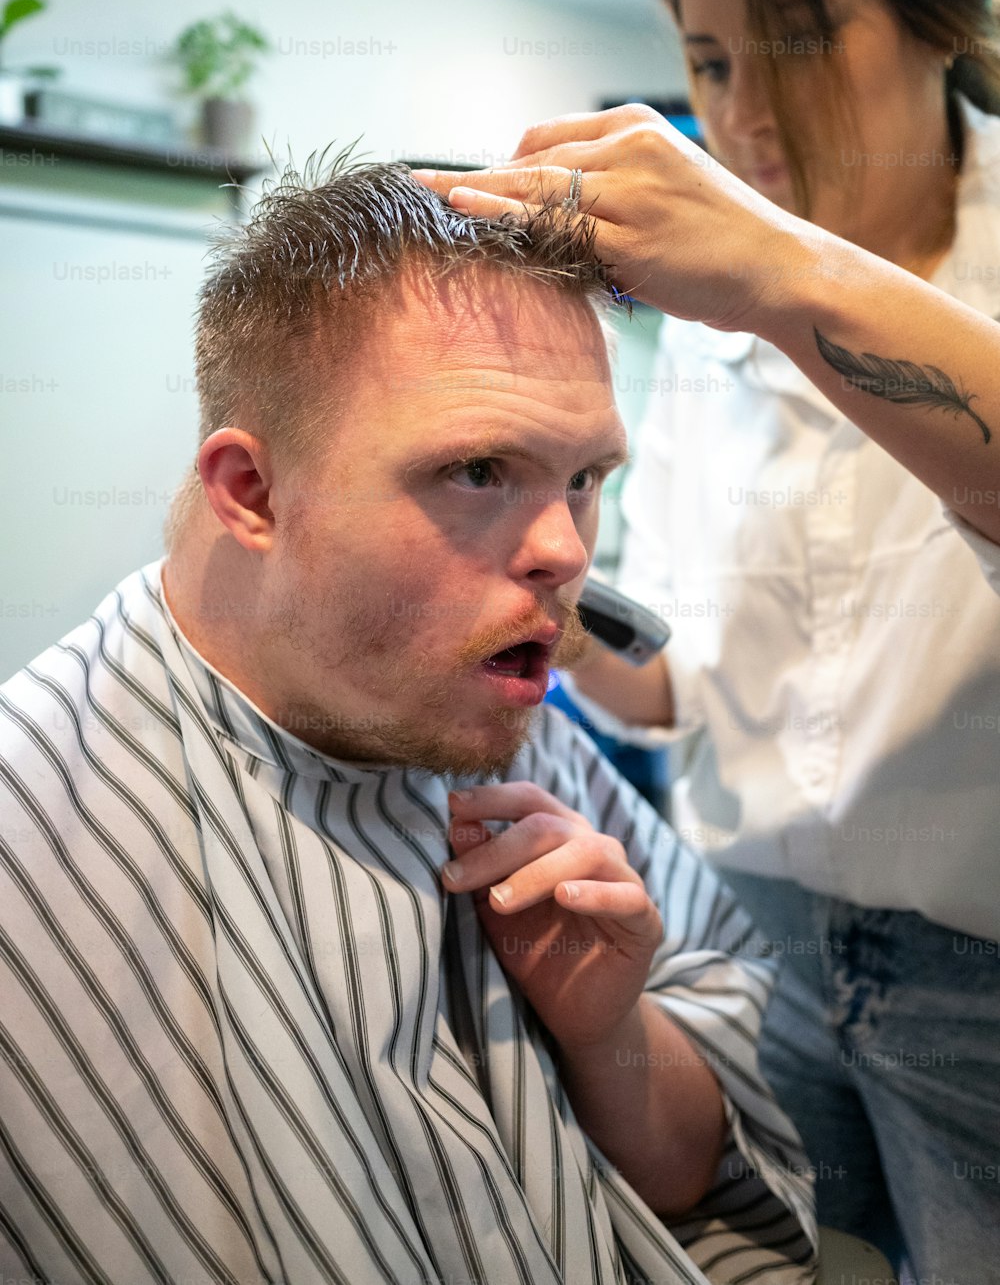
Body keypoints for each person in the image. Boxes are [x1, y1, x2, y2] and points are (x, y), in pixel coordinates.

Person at [0, 158, 818, 1285]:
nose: (567, 553)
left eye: (585, 478)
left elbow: (696, 1181)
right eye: (478, 469)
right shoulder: (35, 828)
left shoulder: (493, 711)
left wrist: (605, 1031)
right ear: (251, 492)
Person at [413, 0, 1000, 1280]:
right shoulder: (722, 341)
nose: (745, 115)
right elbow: (679, 680)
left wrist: (781, 273)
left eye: (800, 37)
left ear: (945, 11)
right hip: (755, 933)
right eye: (709, 58)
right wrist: (527, 570)